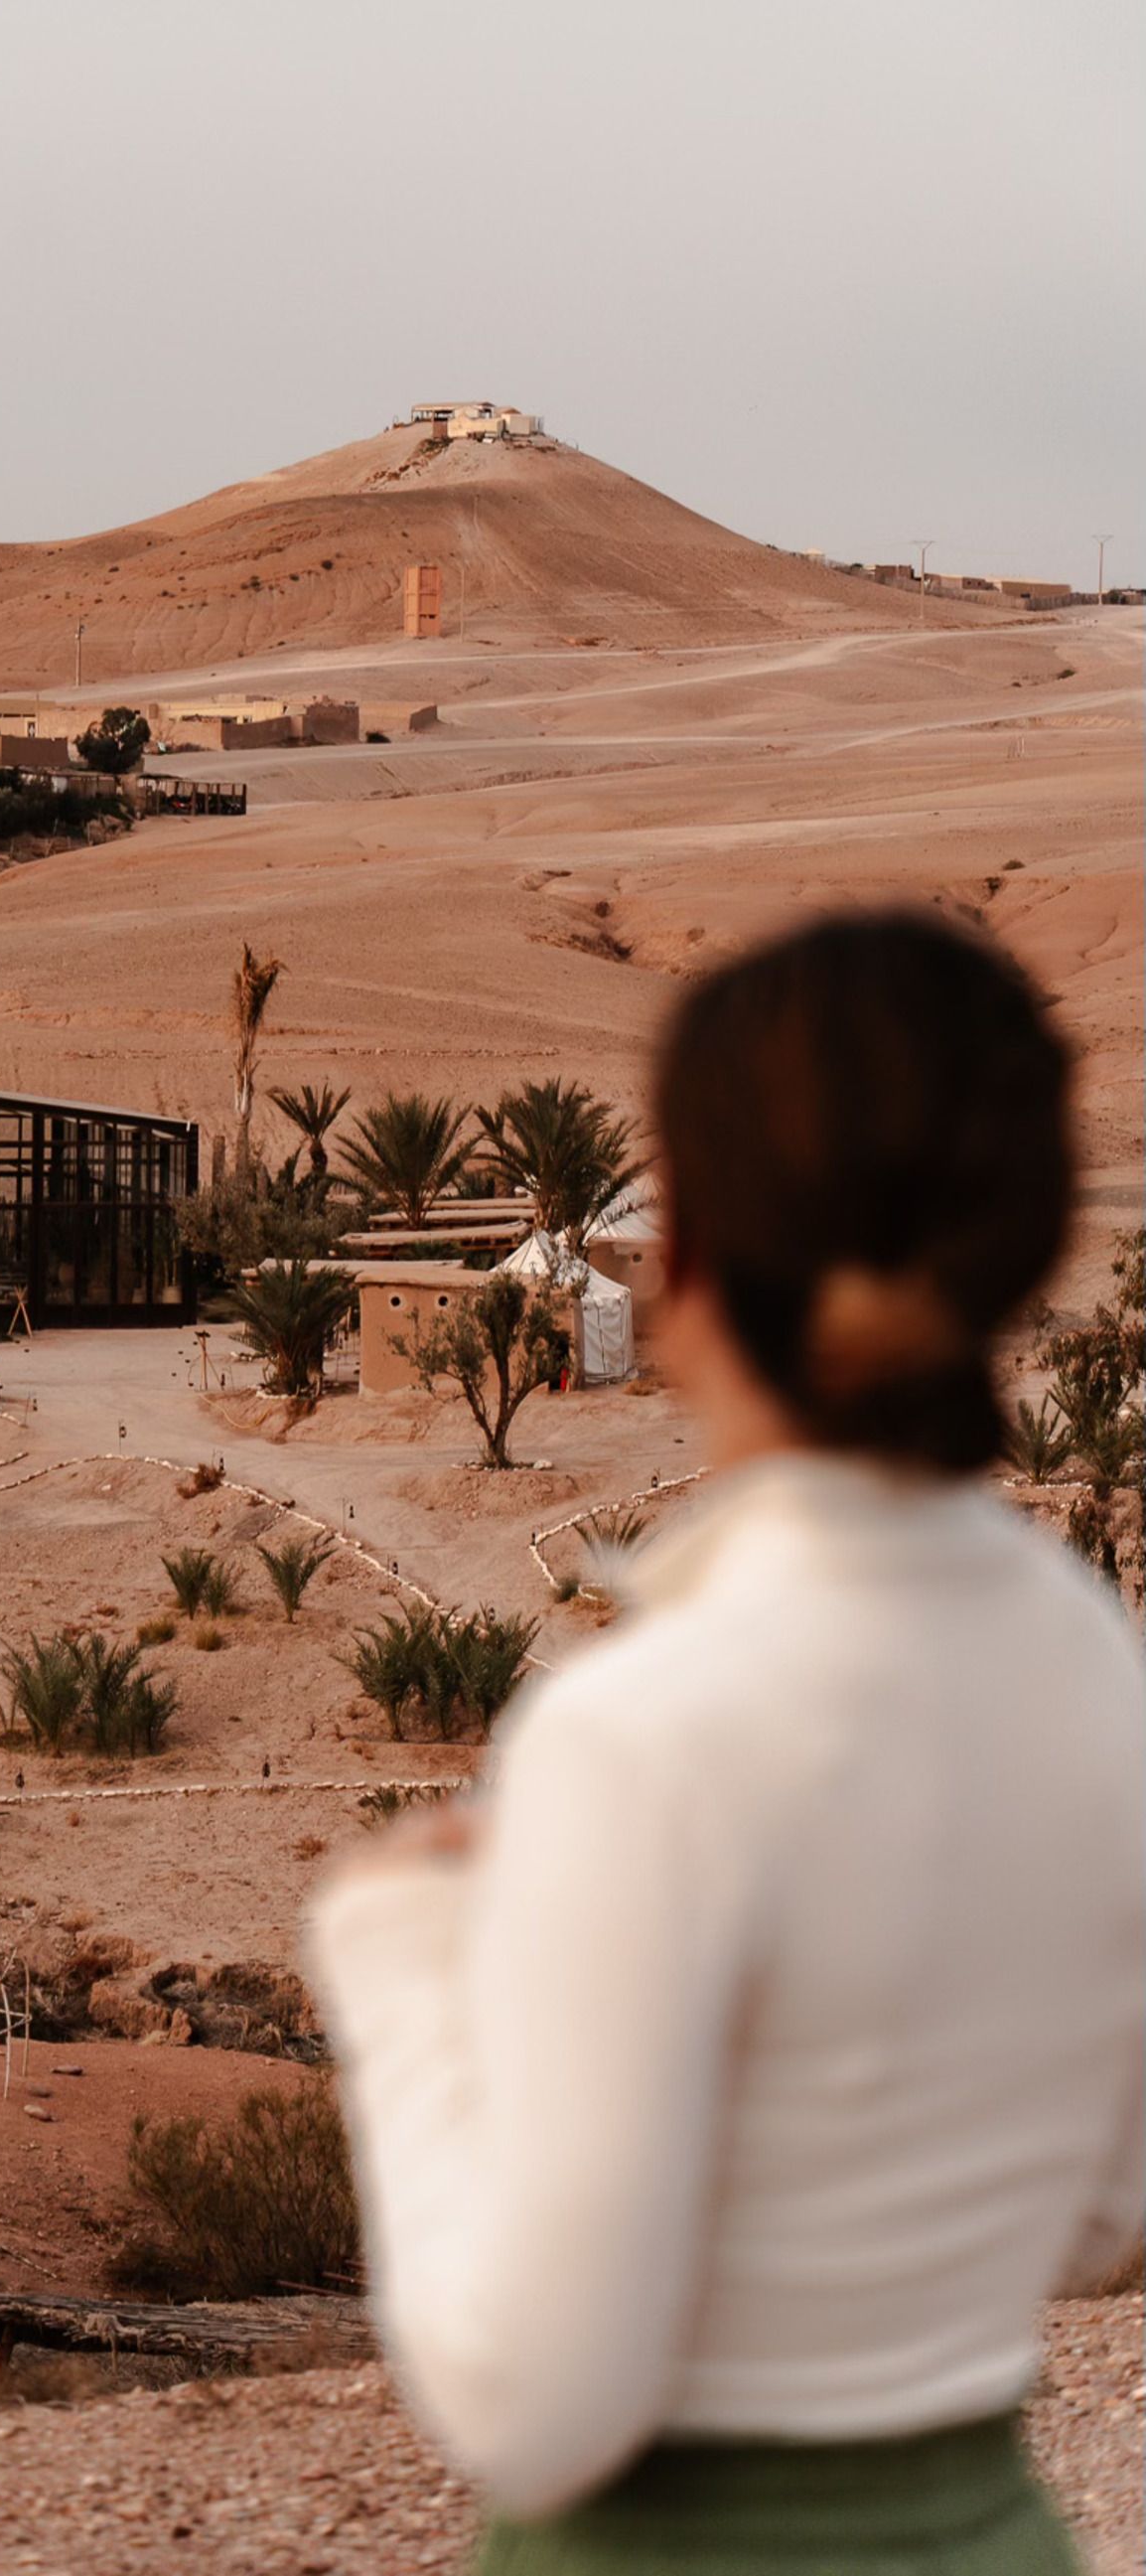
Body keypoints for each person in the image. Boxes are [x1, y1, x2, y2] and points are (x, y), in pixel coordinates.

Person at [309, 910, 1142, 2573]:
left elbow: (535, 2404)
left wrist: (395, 1960)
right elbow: (1105, 2206)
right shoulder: (1088, 1650)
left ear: (679, 1263)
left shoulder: (647, 1735)